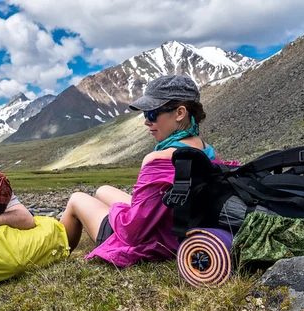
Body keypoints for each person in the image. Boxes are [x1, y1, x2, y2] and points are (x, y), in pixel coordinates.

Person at [59, 74, 220, 267]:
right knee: (102, 190)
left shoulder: (158, 159)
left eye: (152, 114)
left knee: (76, 199)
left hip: (153, 244)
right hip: (178, 230)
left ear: (180, 113)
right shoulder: (209, 152)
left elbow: (132, 232)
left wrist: (116, 211)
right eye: (146, 115)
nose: (147, 122)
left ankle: (55, 257)